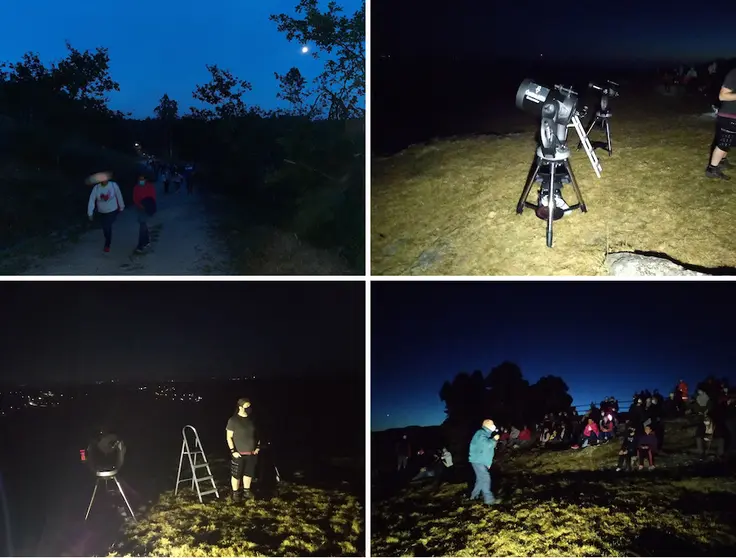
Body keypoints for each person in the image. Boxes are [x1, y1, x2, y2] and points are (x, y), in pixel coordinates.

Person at [226, 397, 260, 502]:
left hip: (251, 453)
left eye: (250, 407)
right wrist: (233, 451)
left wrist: (258, 447)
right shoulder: (233, 420)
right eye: (246, 407)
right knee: (236, 474)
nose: (249, 409)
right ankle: (235, 493)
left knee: (248, 473)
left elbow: (257, 435)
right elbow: (229, 437)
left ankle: (246, 491)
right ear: (240, 407)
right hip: (238, 453)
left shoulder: (252, 420)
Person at [706, 65, 736, 179]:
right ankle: (712, 169)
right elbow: (722, 96)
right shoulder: (734, 73)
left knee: (728, 142)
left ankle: (722, 161)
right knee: (724, 143)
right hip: (729, 116)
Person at [87, 174, 124, 253]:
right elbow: (92, 200)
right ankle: (107, 238)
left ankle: (107, 244)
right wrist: (90, 212)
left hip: (112, 210)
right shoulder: (96, 188)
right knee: (105, 228)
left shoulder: (113, 186)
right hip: (102, 211)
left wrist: (121, 206)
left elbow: (119, 195)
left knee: (107, 226)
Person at [468, 419, 501, 505]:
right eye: (492, 424)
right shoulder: (481, 433)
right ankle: (489, 500)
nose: (494, 426)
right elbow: (487, 445)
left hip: (479, 460)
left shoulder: (484, 434)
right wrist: (494, 439)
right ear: (487, 425)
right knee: (485, 478)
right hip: (478, 460)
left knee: (480, 479)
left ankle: (473, 497)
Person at [132, 174, 157, 253]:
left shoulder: (150, 186)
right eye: (140, 179)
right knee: (143, 224)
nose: (141, 181)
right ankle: (146, 241)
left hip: (147, 208)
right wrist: (139, 205)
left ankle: (140, 245)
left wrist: (148, 205)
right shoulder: (136, 187)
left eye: (143, 179)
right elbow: (135, 198)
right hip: (140, 208)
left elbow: (153, 197)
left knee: (142, 225)